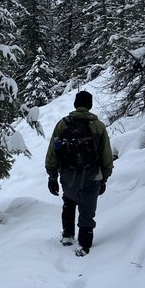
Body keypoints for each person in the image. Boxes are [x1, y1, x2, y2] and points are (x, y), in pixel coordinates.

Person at [45, 91, 113, 257]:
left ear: (75, 104)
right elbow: (106, 154)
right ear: (90, 105)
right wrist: (105, 177)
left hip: (68, 175)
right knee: (87, 209)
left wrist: (52, 176)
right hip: (92, 175)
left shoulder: (63, 124)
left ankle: (68, 236)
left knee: (69, 202)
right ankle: (84, 245)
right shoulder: (98, 126)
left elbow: (53, 151)